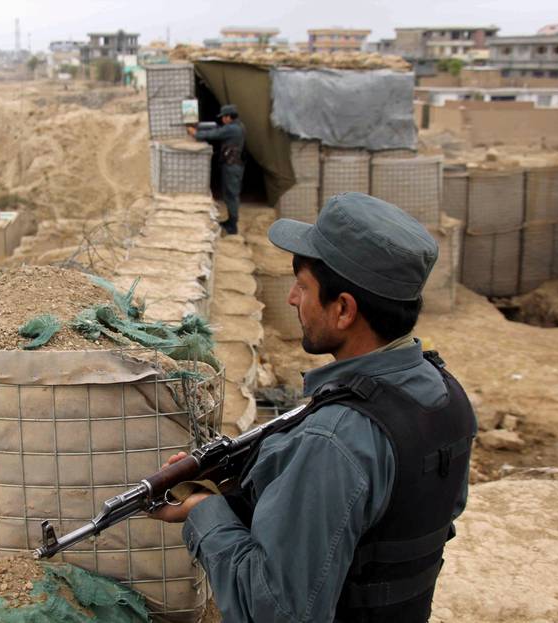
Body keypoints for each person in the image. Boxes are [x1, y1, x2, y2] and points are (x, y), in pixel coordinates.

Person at [153, 192, 477, 623]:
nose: (291, 299)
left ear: (343, 309)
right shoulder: (446, 395)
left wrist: (205, 512)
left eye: (302, 286)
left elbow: (270, 612)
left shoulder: (333, 440)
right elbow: (423, 514)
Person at [188, 104, 245, 235]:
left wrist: (196, 133)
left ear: (229, 117)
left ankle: (232, 226)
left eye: (224, 117)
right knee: (229, 194)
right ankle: (230, 222)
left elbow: (215, 134)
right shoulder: (237, 126)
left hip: (232, 166)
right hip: (232, 165)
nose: (222, 120)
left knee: (231, 195)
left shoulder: (233, 129)